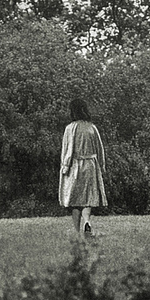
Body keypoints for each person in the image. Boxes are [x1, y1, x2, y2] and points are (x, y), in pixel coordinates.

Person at [59, 98, 107, 236]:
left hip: (75, 166)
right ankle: (87, 222)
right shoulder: (92, 128)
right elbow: (100, 149)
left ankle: (76, 231)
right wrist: (102, 166)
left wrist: (65, 166)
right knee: (88, 198)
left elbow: (67, 150)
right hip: (90, 165)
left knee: (75, 200)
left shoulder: (70, 128)